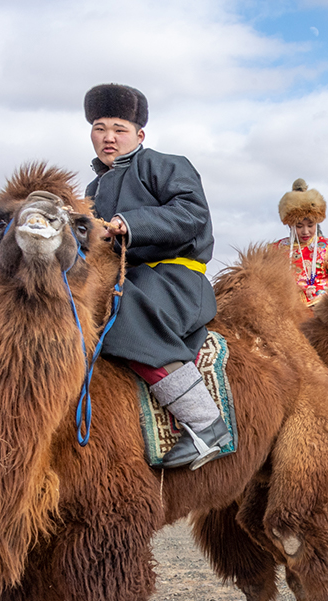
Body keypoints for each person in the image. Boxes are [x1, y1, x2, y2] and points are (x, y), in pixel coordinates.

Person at [84, 83, 229, 470]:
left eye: (119, 128)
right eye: (100, 127)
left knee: (118, 313)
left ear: (139, 135)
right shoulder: (93, 189)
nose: (109, 137)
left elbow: (191, 213)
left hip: (177, 280)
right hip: (131, 280)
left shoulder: (164, 164)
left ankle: (207, 424)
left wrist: (126, 223)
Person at [275, 179, 328, 306]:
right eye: (299, 226)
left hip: (321, 311)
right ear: (291, 225)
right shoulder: (275, 250)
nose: (305, 231)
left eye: (310, 225)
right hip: (286, 310)